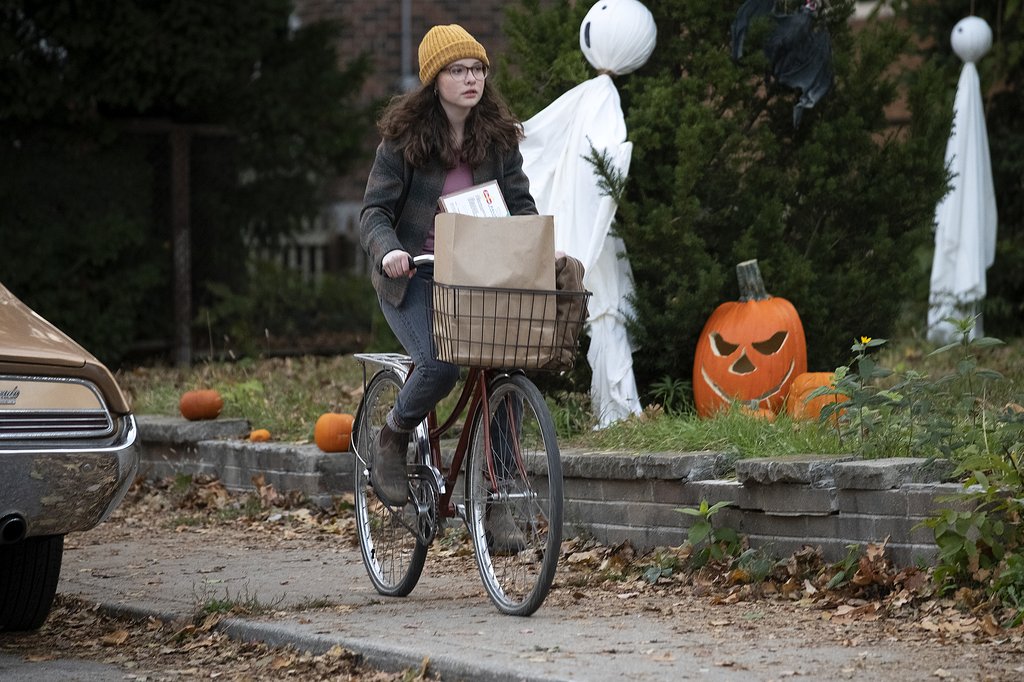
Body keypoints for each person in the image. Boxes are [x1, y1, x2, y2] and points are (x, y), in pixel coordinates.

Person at [359, 24, 538, 507]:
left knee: (506, 364)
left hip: (477, 274)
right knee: (439, 365)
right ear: (434, 79)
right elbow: (373, 212)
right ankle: (393, 436)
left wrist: (540, 247)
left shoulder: (498, 138)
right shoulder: (403, 141)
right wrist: (389, 250)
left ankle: (500, 499)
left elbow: (520, 205)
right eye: (458, 70)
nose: (470, 79)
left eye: (478, 69)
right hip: (413, 275)